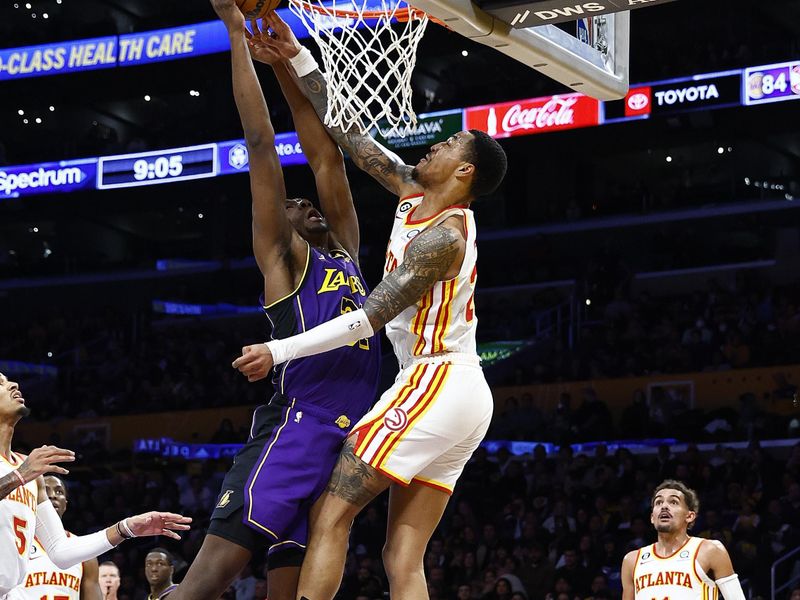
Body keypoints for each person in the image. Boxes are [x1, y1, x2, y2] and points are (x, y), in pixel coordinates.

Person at [232, 11, 508, 599]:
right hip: (457, 391)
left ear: (464, 171)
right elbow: (351, 139)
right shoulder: (413, 191)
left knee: (330, 512)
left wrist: (278, 348)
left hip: (437, 379)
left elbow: (368, 316)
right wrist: (295, 55)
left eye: (452, 143)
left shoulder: (446, 238)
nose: (438, 141)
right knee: (400, 554)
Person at [168, 4, 381, 600]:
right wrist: (236, 33)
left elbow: (327, 158)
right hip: (297, 430)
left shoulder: (346, 252)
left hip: (344, 441)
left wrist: (288, 66)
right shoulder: (284, 260)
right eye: (294, 204)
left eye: (308, 204)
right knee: (203, 586)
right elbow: (263, 144)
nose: (306, 204)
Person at [0, 372, 191, 600]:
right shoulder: (27, 470)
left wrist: (126, 528)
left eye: (9, 379)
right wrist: (20, 476)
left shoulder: (30, 470)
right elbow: (20, 476)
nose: (13, 383)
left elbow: (61, 551)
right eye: (0, 383)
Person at [621, 479, 746, 600]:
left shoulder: (709, 550)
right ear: (652, 517)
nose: (664, 506)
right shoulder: (632, 560)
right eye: (658, 502)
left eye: (673, 502)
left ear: (690, 516)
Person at [14, 475, 101, 600]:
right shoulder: (15, 543)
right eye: (45, 490)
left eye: (59, 491)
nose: (52, 495)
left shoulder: (84, 552)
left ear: (65, 504)